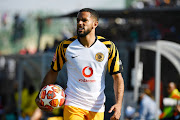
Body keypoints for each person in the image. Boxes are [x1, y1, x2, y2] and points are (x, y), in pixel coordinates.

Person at [35, 8, 124, 120]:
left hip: (97, 107)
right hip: (73, 105)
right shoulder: (65, 46)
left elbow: (117, 77)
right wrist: (40, 95)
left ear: (95, 24)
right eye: (78, 20)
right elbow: (53, 71)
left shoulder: (108, 47)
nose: (80, 23)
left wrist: (119, 104)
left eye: (84, 20)